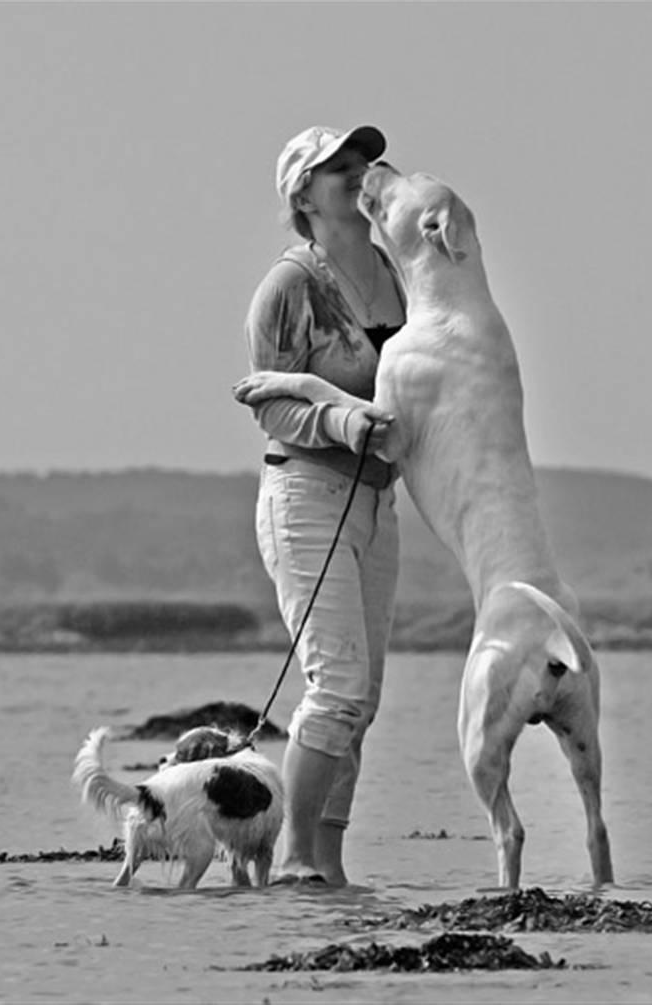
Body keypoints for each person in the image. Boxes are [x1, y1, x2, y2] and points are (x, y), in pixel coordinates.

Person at [235, 125, 406, 886]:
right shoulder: (289, 286)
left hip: (377, 505)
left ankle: (329, 869)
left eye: (363, 162)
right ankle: (296, 860)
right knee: (335, 686)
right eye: (339, 167)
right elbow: (270, 405)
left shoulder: (396, 270)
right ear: (303, 195)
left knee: (360, 699)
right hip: (305, 494)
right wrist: (343, 421)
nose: (359, 173)